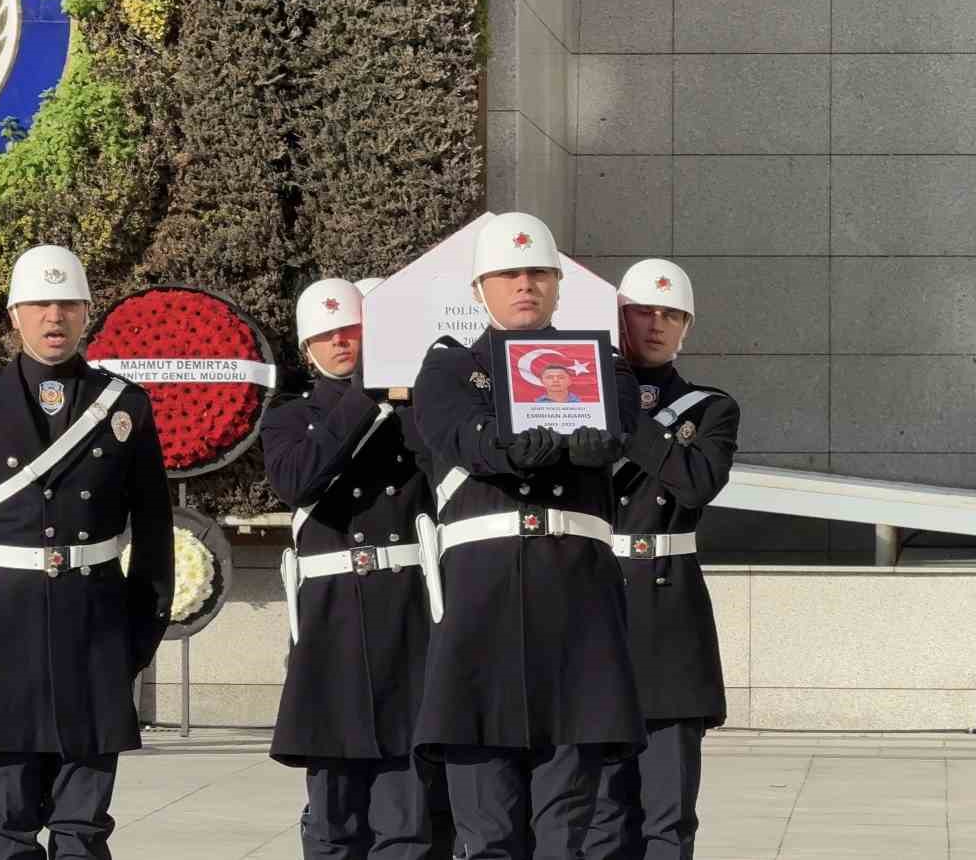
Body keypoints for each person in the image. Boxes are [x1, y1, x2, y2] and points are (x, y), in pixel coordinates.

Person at [0, 245, 175, 859]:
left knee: (83, 830)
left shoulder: (124, 406)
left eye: (67, 304)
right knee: (5, 828)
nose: (53, 317)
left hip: (94, 631)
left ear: (88, 313)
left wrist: (139, 639)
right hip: (2, 632)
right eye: (39, 304)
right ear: (14, 314)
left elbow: (155, 532)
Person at [412, 211, 645, 859]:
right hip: (481, 621)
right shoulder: (449, 371)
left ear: (559, 286)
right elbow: (460, 437)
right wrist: (508, 445)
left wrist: (601, 442)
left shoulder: (607, 370)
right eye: (508, 274)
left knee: (565, 836)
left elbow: (620, 429)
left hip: (575, 615)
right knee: (486, 837)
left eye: (538, 273)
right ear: (480, 290)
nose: (525, 285)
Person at [262, 277, 442, 859]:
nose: (341, 342)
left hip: (408, 610)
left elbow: (439, 468)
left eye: (353, 331)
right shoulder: (288, 417)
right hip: (332, 612)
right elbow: (297, 480)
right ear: (306, 347)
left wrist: (401, 396)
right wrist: (364, 397)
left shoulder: (413, 406)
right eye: (327, 335)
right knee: (334, 807)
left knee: (406, 804)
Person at [582, 259, 739, 860]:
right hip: (593, 602)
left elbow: (697, 482)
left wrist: (627, 418)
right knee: (599, 815)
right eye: (642, 311)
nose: (655, 324)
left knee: (668, 816)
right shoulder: (573, 395)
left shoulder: (712, 408)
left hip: (668, 611)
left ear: (686, 327)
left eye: (670, 314)